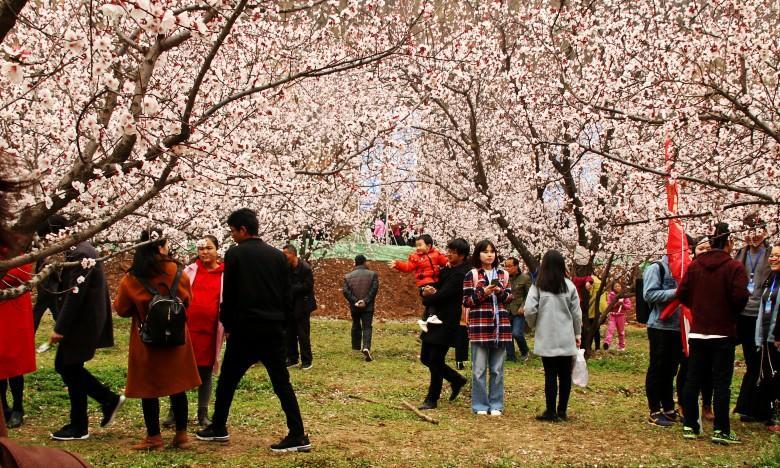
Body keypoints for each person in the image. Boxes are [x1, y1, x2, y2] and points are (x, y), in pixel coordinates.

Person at [196, 208, 310, 453]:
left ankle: (218, 426)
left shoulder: (235, 255)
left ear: (243, 230)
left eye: (233, 231)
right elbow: (287, 295)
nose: (232, 236)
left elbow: (231, 294)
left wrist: (227, 325)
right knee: (281, 383)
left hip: (245, 330)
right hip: (272, 329)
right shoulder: (278, 257)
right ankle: (298, 433)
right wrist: (283, 325)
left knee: (227, 381)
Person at [114, 228, 201, 450]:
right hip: (176, 337)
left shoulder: (133, 276)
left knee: (148, 388)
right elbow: (188, 300)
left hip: (147, 339)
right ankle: (181, 435)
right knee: (177, 385)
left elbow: (121, 309)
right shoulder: (178, 271)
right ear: (161, 246)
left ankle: (154, 437)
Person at [677, 222, 749, 445]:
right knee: (721, 382)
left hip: (699, 332)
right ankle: (721, 430)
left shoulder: (695, 266)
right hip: (723, 333)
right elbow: (741, 297)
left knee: (693, 379)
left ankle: (690, 424)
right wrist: (729, 311)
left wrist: (698, 307)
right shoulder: (734, 267)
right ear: (729, 242)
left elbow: (682, 293)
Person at [50, 235, 124, 441]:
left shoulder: (82, 254)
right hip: (83, 321)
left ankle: (103, 404)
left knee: (68, 367)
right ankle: (81, 421)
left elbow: (75, 294)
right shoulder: (82, 250)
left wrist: (60, 327)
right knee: (69, 367)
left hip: (82, 323)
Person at [163, 235, 224, 428]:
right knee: (178, 370)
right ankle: (175, 412)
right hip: (186, 329)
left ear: (217, 250)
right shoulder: (188, 272)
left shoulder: (225, 274)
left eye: (209, 248)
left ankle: (202, 413)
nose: (205, 252)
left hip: (210, 331)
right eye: (201, 248)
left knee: (205, 372)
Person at [525, 250, 582, 422]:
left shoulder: (538, 286)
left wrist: (534, 325)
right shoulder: (569, 286)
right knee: (565, 376)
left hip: (546, 336)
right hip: (566, 336)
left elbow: (529, 309)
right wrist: (577, 333)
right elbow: (577, 313)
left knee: (550, 375)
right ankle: (562, 411)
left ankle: (550, 411)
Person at [417, 239, 470, 410]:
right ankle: (456, 379)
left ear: (462, 255)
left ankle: (432, 398)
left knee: (435, 359)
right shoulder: (447, 269)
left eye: (453, 252)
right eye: (449, 250)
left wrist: (428, 298)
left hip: (447, 321)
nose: (449, 253)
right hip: (433, 318)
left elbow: (444, 294)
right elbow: (435, 286)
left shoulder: (461, 273)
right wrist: (425, 290)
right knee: (426, 357)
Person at [463, 239, 512, 416]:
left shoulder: (503, 275)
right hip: (479, 327)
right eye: (485, 251)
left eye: (492, 251)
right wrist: (483, 293)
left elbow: (509, 299)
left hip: (501, 327)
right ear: (478, 254)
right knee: (479, 370)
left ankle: (496, 404)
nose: (489, 254)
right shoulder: (472, 275)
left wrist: (500, 292)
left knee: (498, 369)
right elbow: (467, 301)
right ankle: (480, 405)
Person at [734, 213, 771, 423]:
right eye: (749, 231)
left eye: (758, 231)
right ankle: (747, 407)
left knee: (761, 363)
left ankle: (757, 408)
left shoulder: (771, 254)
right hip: (743, 314)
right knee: (751, 362)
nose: (754, 236)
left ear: (766, 232)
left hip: (763, 315)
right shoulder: (740, 253)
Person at [643, 252, 684, 428]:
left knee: (671, 370)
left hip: (677, 327)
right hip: (659, 326)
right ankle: (654, 409)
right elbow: (649, 294)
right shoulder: (657, 268)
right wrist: (676, 292)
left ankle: (668, 407)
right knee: (657, 368)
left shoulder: (684, 270)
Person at [0, 262, 34, 430]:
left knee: (14, 361)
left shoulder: (18, 250)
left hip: (14, 311)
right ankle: (3, 406)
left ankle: (18, 407)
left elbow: (20, 275)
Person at [390, 234, 449, 331]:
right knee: (434, 297)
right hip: (424, 281)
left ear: (429, 246)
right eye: (416, 245)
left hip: (435, 280)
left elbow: (443, 261)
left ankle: (424, 320)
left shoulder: (436, 254)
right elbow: (408, 267)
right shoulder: (415, 257)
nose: (417, 248)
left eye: (420, 245)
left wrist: (448, 262)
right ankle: (432, 315)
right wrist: (398, 264)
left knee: (432, 299)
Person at [755, 245, 780, 433]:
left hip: (777, 337)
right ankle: (769, 413)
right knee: (768, 376)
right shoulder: (771, 278)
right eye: (772, 255)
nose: (773, 259)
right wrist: (759, 336)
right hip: (765, 337)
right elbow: (763, 308)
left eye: (778, 256)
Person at [282, 244, 317, 370]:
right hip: (290, 306)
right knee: (289, 334)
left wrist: (290, 289)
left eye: (286, 253)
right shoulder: (286, 268)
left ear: (293, 254)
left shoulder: (305, 268)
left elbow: (308, 286)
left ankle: (307, 361)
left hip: (303, 305)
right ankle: (292, 358)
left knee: (302, 334)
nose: (284, 255)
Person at [343, 255, 380, 361]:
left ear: (355, 263)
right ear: (364, 262)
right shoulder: (373, 274)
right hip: (368, 307)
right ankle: (366, 347)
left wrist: (355, 301)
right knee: (367, 326)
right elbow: (374, 289)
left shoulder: (348, 276)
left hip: (354, 307)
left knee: (356, 324)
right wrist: (365, 301)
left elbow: (345, 291)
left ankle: (356, 346)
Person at [503, 257, 531, 362]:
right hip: (506, 309)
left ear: (516, 266)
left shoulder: (525, 278)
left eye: (509, 266)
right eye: (506, 266)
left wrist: (523, 306)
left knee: (516, 333)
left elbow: (529, 295)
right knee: (507, 334)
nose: (507, 268)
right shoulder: (504, 278)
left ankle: (525, 351)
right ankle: (510, 357)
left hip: (519, 310)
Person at [603, 281, 631, 352]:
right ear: (613, 288)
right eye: (616, 286)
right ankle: (607, 344)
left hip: (621, 316)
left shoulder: (624, 295)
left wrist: (623, 304)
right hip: (612, 315)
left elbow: (629, 306)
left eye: (619, 286)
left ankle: (621, 346)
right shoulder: (610, 295)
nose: (618, 287)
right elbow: (609, 306)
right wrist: (616, 304)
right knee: (610, 329)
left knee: (621, 332)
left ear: (621, 287)